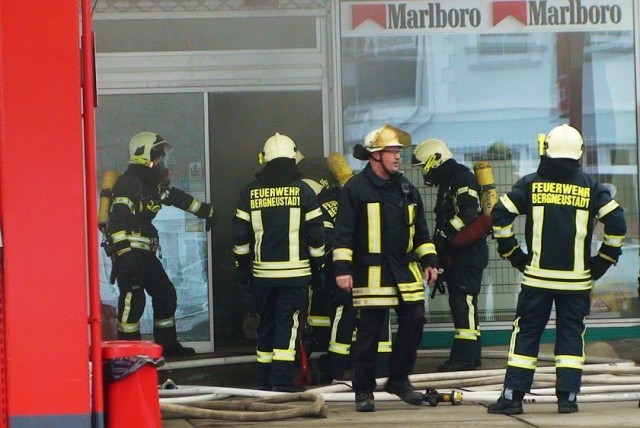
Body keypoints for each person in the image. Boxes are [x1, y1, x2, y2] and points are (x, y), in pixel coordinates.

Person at [488, 124, 627, 415]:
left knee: (527, 334)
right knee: (571, 335)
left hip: (537, 278)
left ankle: (513, 398)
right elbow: (617, 222)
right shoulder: (591, 187)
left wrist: (513, 254)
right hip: (576, 281)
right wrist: (602, 261)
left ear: (547, 150)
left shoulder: (530, 184)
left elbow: (500, 215)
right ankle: (568, 399)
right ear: (579, 153)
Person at [332, 124, 439, 412]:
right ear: (375, 155)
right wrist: (343, 269)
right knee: (370, 333)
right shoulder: (355, 189)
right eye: (392, 152)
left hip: (404, 272)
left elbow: (421, 232)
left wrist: (430, 261)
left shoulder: (407, 189)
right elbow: (343, 234)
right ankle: (363, 390)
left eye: (399, 152)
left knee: (415, 320)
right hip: (371, 274)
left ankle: (399, 379)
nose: (398, 157)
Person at [107, 131, 215, 358]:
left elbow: (176, 197)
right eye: (157, 156)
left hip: (145, 253)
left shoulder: (150, 184)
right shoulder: (128, 183)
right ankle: (128, 355)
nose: (161, 162)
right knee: (133, 301)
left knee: (165, 294)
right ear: (144, 155)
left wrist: (205, 211)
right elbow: (116, 221)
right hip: (130, 252)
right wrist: (124, 254)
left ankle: (167, 345)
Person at [233, 132, 325, 392]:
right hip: (295, 276)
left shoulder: (250, 192)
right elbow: (317, 235)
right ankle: (282, 382)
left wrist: (242, 269)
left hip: (262, 276)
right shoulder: (304, 191)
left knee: (266, 324)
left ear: (265, 159)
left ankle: (265, 380)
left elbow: (240, 237)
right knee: (288, 324)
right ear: (293, 157)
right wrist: (318, 268)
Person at [411, 138, 489, 372]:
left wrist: (442, 236)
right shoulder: (451, 181)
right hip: (460, 255)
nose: (425, 172)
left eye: (424, 166)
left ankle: (464, 358)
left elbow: (468, 213)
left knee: (463, 302)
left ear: (434, 161)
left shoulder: (462, 179)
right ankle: (471, 355)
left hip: (469, 254)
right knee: (464, 303)